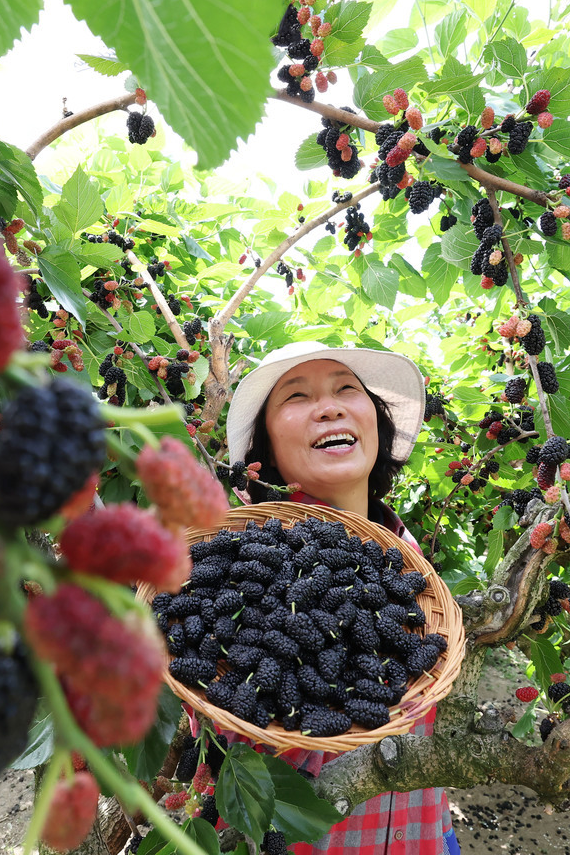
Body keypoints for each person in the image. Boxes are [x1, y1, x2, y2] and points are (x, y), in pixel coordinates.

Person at [222, 339, 459, 855]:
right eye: (297, 396)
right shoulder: (240, 566)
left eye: (346, 388)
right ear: (265, 451)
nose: (328, 405)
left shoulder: (409, 558)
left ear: (375, 418)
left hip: (424, 836)